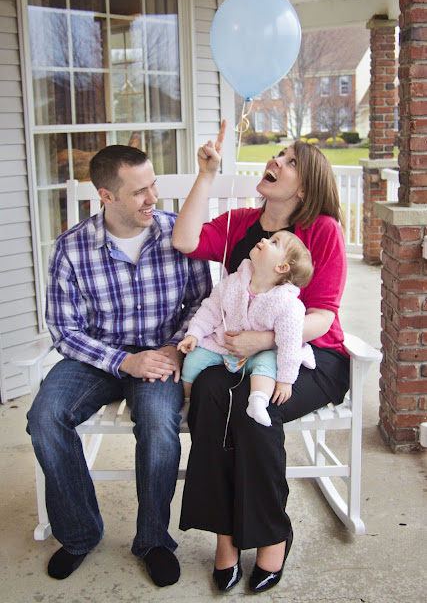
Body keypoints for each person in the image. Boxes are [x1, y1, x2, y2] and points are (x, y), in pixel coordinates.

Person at [172, 120, 350, 593]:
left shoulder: (321, 231)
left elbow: (322, 317)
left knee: (256, 415)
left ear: (305, 187)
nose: (276, 160)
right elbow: (184, 240)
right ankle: (225, 536)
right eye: (278, 154)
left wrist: (263, 340)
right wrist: (206, 175)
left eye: (290, 162)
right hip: (234, 355)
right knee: (209, 397)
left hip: (309, 358)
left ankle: (272, 534)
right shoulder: (240, 225)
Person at [26, 145, 212, 587]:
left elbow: (203, 302)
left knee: (158, 423)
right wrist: (123, 361)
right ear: (106, 196)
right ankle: (79, 534)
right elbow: (64, 330)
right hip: (96, 356)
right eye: (139, 191)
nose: (153, 198)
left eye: (153, 186)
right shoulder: (71, 248)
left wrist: (175, 349)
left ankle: (153, 540)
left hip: (160, 353)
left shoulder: (178, 235)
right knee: (45, 418)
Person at [177, 230, 315, 428]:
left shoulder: (288, 304)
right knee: (193, 360)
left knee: (268, 366)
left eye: (274, 243)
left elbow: (289, 344)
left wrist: (286, 380)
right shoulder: (233, 282)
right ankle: (188, 402)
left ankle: (258, 401)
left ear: (281, 267)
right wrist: (194, 334)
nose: (264, 239)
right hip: (222, 346)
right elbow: (211, 309)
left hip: (259, 353)